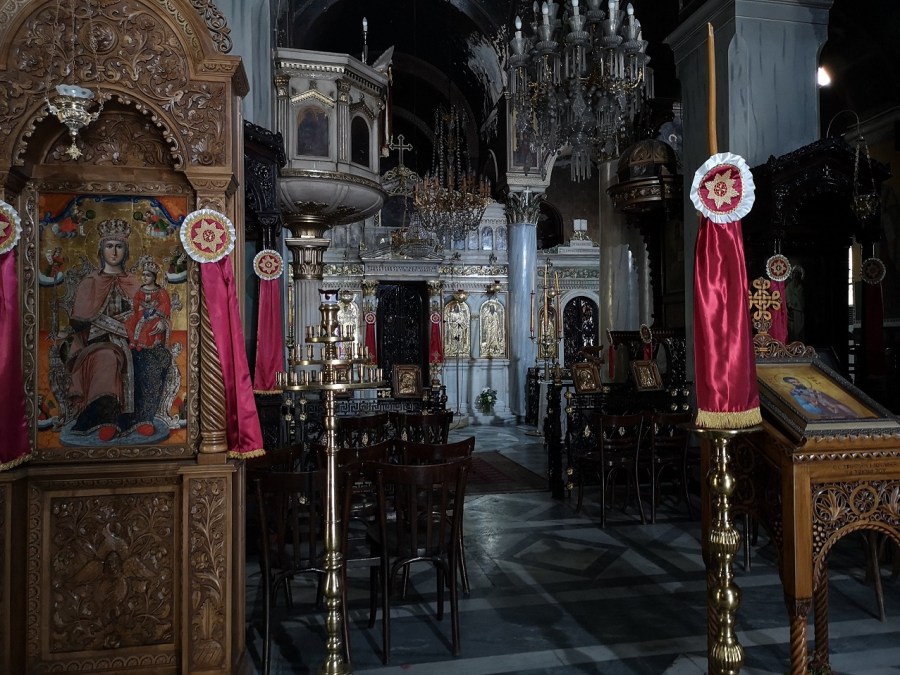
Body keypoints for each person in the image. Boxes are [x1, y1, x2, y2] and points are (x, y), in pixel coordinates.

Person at [782, 376, 858, 419]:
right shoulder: (795, 392)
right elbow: (804, 403)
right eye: (794, 382)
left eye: (796, 380)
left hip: (825, 400)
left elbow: (818, 392)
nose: (797, 382)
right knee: (834, 410)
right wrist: (814, 402)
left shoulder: (805, 386)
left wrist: (818, 393)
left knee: (838, 405)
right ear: (790, 384)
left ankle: (853, 415)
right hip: (818, 406)